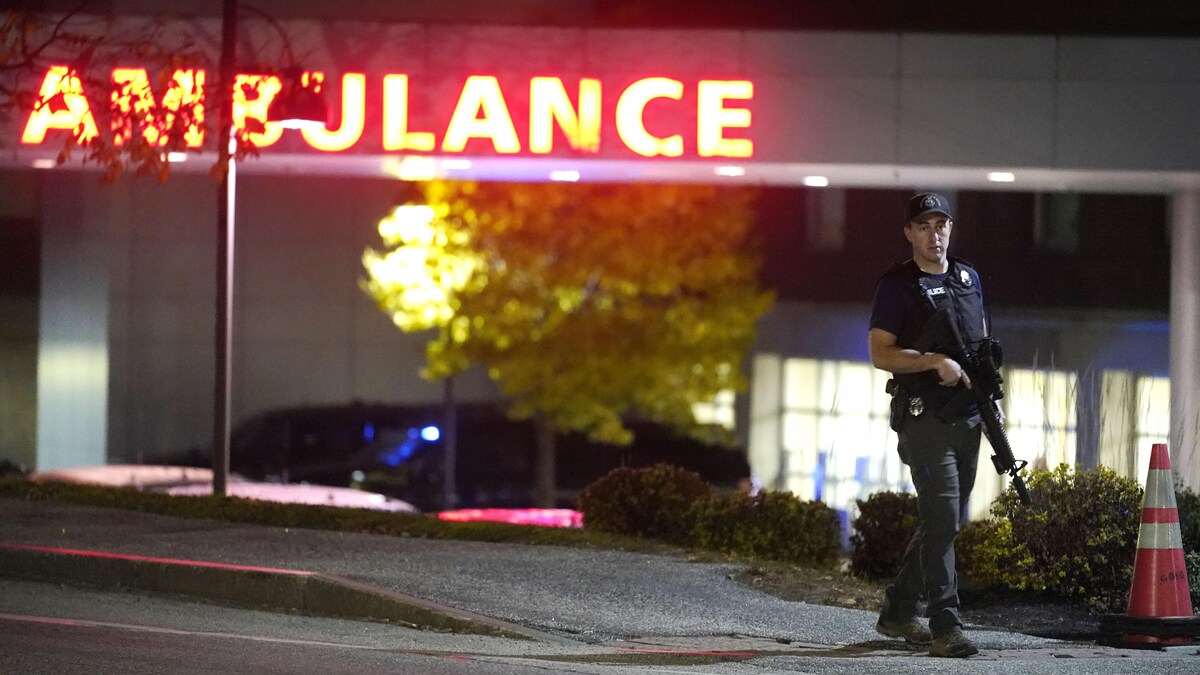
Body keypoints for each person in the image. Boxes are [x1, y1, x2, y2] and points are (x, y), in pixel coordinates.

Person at [867, 192, 990, 658]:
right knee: (941, 518)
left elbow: (980, 347)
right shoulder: (897, 285)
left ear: (950, 228)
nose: (934, 235)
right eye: (923, 226)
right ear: (909, 233)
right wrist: (932, 361)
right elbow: (881, 353)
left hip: (968, 415)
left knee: (945, 521)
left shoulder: (968, 278)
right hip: (924, 418)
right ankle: (945, 626)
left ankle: (898, 612)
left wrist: (989, 402)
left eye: (941, 225)